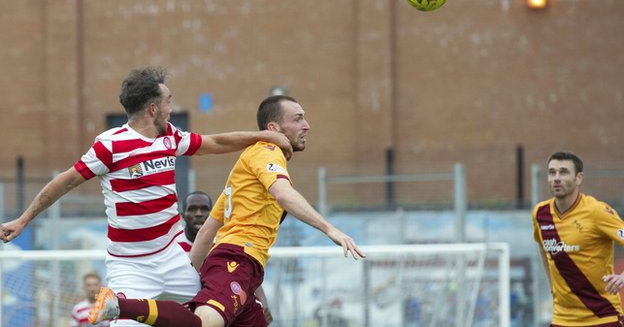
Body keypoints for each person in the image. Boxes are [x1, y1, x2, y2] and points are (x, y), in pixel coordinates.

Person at [0, 66, 292, 327]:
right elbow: (64, 182)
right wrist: (24, 219)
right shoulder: (110, 145)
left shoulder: (170, 138)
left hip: (175, 255)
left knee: (221, 312)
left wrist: (263, 136)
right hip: (131, 266)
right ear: (153, 108)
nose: (171, 107)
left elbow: (214, 142)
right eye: (168, 101)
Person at [88, 95, 366, 327]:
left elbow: (209, 229)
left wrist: (191, 276)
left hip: (245, 266)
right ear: (273, 128)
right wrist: (330, 229)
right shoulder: (267, 150)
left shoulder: (245, 170)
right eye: (298, 118)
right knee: (201, 324)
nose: (306, 125)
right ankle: (118, 305)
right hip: (236, 259)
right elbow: (282, 194)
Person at [533, 151, 624, 327]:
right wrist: (554, 287)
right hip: (562, 320)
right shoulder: (540, 213)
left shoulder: (597, 212)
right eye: (552, 172)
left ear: (579, 178)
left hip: (603, 317)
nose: (556, 178)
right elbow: (543, 247)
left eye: (564, 172)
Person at [177, 191, 273, 324]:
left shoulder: (223, 243)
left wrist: (263, 301)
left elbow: (244, 275)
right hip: (182, 304)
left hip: (217, 306)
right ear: (183, 214)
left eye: (204, 209)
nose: (198, 214)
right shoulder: (174, 244)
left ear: (213, 213)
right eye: (192, 209)